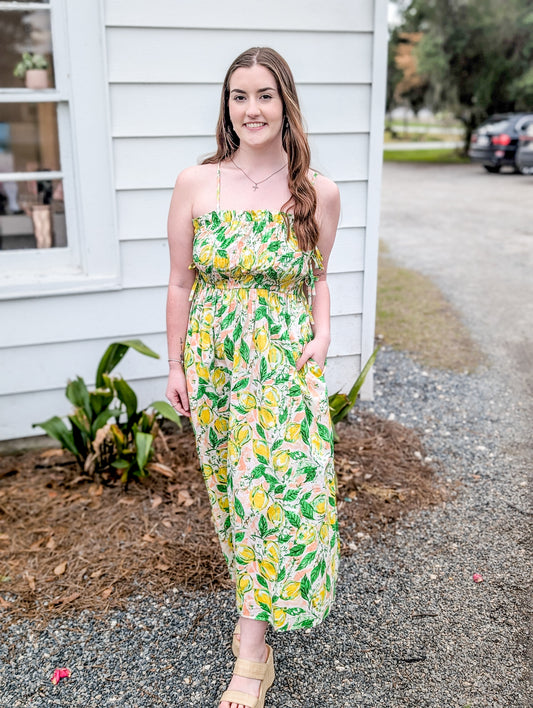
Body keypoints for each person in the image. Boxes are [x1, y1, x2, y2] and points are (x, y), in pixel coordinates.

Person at [166, 46, 341, 708]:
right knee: (240, 497)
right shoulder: (196, 182)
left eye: (263, 94)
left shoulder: (318, 191)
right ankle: (256, 636)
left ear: (284, 103)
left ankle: (249, 646)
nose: (251, 109)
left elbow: (318, 280)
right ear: (227, 107)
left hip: (283, 358)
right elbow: (181, 282)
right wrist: (175, 363)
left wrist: (323, 334)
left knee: (290, 484)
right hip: (217, 363)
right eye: (238, 96)